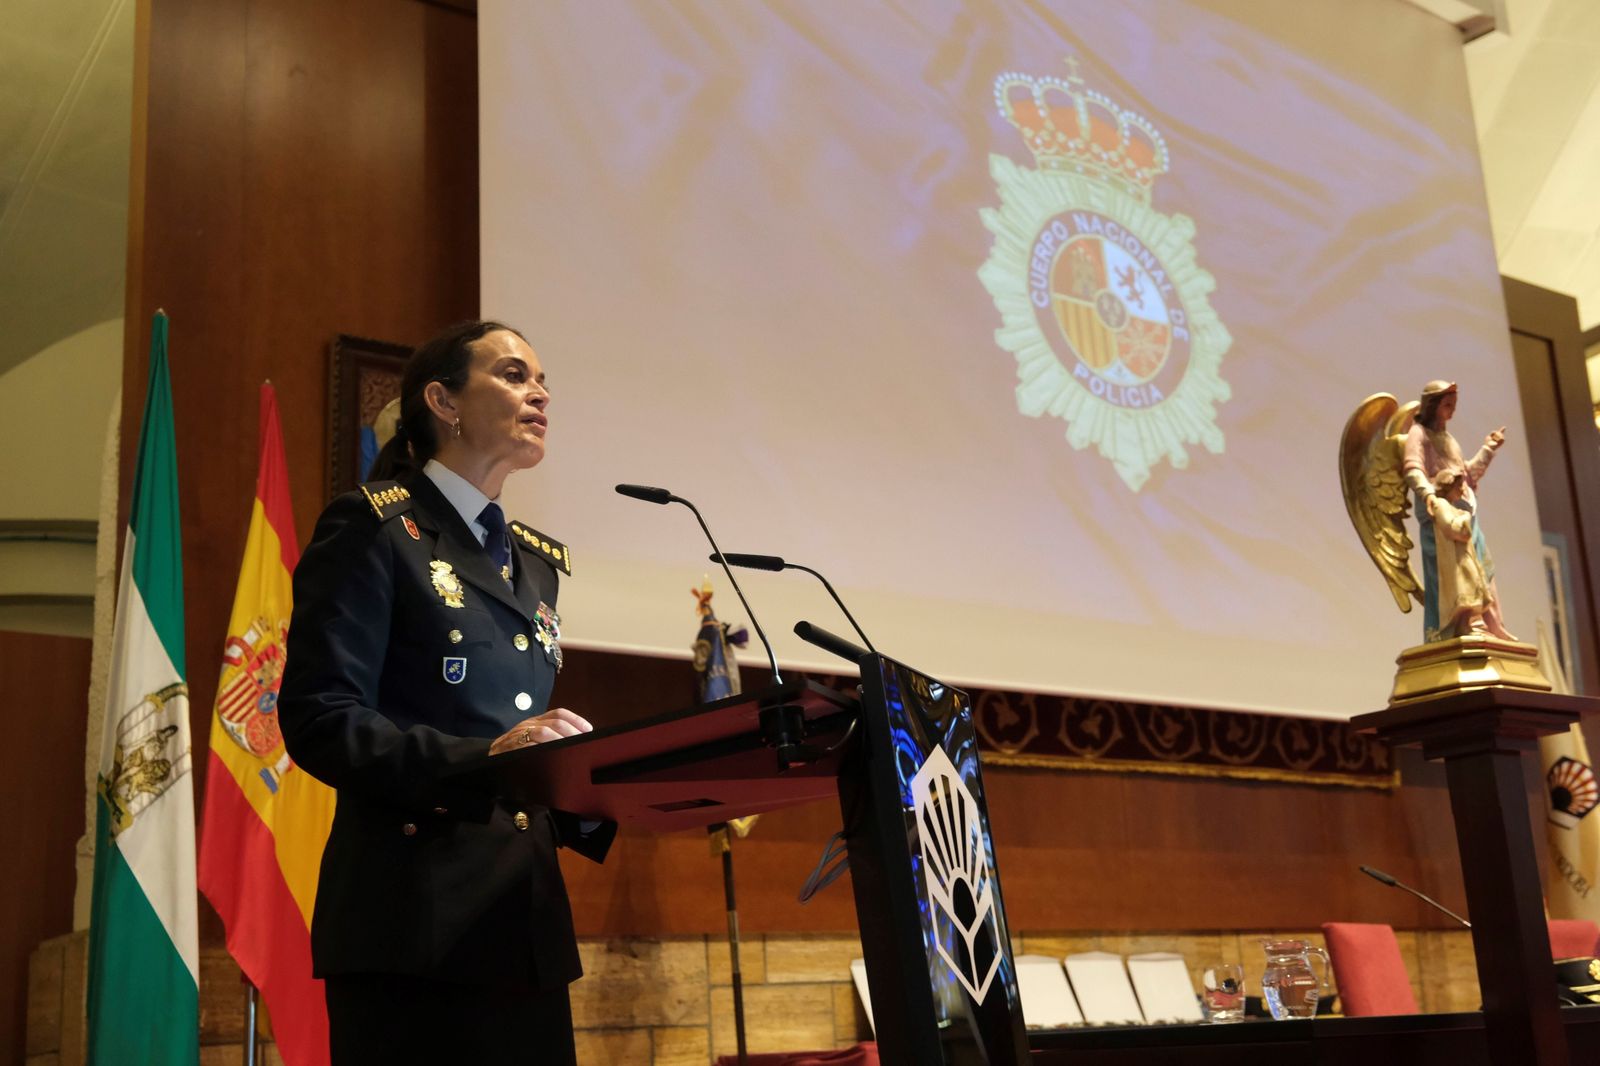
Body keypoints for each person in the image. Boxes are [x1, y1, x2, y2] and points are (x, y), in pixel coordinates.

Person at [279, 320, 613, 1065]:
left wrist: (589, 784)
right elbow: (319, 718)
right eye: (514, 375)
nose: (540, 394)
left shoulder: (535, 563)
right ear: (443, 400)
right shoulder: (375, 527)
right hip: (412, 922)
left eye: (543, 381)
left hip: (523, 925)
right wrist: (484, 760)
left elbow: (518, 734)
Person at [1400, 379, 1515, 643]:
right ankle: (1458, 625)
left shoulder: (1448, 439)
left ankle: (1491, 623)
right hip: (1442, 518)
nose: (1452, 410)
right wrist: (1429, 494)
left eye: (1454, 405)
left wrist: (1488, 449)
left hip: (1465, 514)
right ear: (1433, 406)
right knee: (1455, 574)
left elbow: (1466, 476)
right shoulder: (1419, 433)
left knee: (1482, 567)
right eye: (1447, 405)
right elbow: (1413, 469)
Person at [1426, 469, 1493, 638]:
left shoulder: (1451, 507)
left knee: (1472, 587)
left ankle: (1467, 624)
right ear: (1448, 486)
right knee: (1464, 590)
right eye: (1458, 486)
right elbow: (1452, 529)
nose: (1462, 490)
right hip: (1456, 560)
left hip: (1463, 557)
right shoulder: (1440, 505)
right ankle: (1462, 625)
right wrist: (1465, 517)